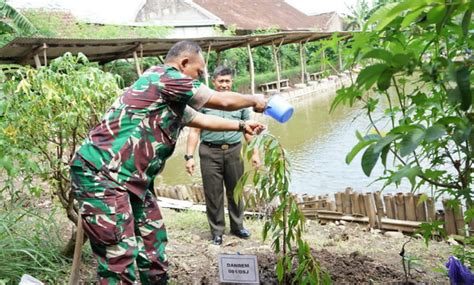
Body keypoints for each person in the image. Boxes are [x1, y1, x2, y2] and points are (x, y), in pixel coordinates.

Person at [69, 40, 266, 284]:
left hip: (132, 181)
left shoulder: (170, 95)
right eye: (198, 72)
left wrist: (241, 125)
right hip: (102, 175)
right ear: (183, 64)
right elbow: (221, 101)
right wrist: (254, 99)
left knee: (153, 241)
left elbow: (202, 121)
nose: (200, 78)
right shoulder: (166, 77)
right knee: (118, 256)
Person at [185, 66, 260, 246]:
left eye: (227, 81)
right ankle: (217, 231)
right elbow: (194, 131)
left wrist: (255, 153)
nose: (224, 85)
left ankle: (237, 226)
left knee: (236, 191)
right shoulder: (203, 102)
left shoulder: (240, 102)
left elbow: (249, 131)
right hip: (210, 152)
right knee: (213, 193)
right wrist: (189, 157)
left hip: (234, 151)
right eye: (221, 81)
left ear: (231, 82)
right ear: (214, 82)